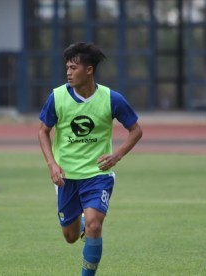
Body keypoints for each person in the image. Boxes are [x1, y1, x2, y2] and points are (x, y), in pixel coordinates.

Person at [38, 42, 142, 275]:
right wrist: (52, 164)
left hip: (98, 175)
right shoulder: (57, 97)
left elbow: (136, 130)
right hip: (67, 177)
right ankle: (80, 222)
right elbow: (42, 131)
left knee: (95, 226)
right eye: (67, 67)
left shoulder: (111, 98)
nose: (68, 72)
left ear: (89, 70)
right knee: (70, 237)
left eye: (74, 68)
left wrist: (117, 155)